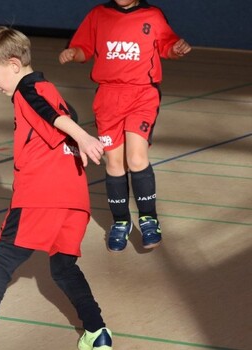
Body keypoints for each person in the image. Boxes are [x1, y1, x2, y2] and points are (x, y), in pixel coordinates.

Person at [0, 26, 113, 350]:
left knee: (2, 260)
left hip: (39, 197)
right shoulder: (51, 89)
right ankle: (97, 332)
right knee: (64, 268)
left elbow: (50, 116)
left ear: (13, 65)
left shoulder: (27, 90)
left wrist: (83, 136)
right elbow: (62, 116)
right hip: (75, 201)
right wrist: (82, 134)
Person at [59, 0, 191, 252]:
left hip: (142, 95)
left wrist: (177, 48)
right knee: (114, 163)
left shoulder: (151, 15)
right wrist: (73, 53)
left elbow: (168, 45)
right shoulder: (99, 15)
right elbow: (83, 48)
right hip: (108, 98)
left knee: (137, 158)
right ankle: (121, 222)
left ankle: (149, 219)